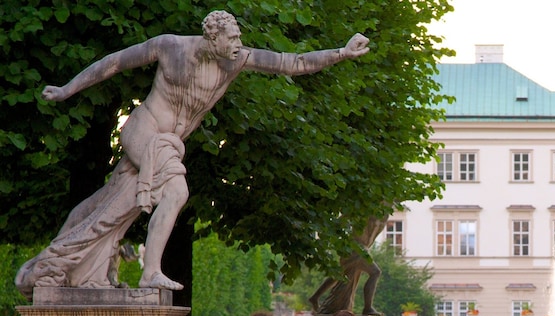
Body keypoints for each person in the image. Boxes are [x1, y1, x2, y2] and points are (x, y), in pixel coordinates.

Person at [19, 10, 370, 295]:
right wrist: (67, 90)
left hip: (171, 143)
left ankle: (64, 258)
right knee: (175, 190)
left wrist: (342, 52)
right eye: (231, 39)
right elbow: (113, 64)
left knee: (114, 199)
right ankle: (150, 272)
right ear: (212, 38)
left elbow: (293, 62)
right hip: (145, 130)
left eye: (238, 38)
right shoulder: (170, 47)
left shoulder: (236, 60)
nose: (238, 44)